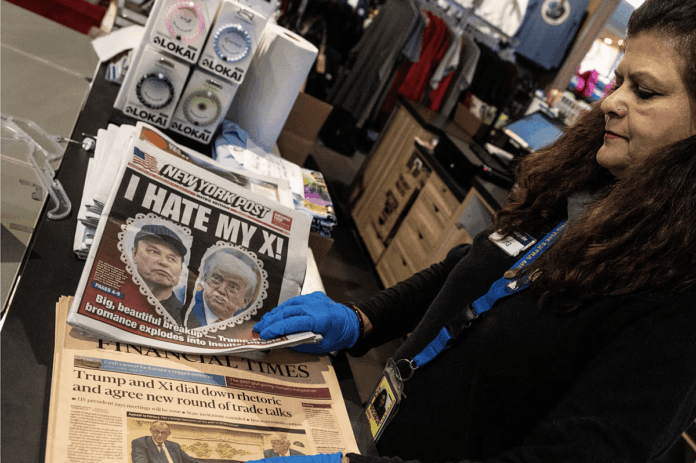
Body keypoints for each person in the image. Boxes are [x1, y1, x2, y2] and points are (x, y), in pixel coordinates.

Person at [249, 1, 696, 461]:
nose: (609, 102)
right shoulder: (586, 181)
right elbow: (468, 270)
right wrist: (362, 319)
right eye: (619, 81)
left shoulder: (679, 303)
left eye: (644, 91)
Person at [186, 249, 258, 329]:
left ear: (245, 301)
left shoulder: (243, 327)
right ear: (206, 278)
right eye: (216, 279)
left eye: (233, 287)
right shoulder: (184, 307)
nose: (221, 290)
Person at [132, 224, 188, 325]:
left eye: (172, 259)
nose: (163, 262)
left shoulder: (188, 319)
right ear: (134, 254)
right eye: (154, 252)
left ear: (180, 270)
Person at [132, 421, 201, 463]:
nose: (159, 435)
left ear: (169, 434)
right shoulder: (141, 443)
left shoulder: (174, 446)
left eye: (163, 433)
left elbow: (190, 460)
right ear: (151, 430)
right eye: (156, 432)